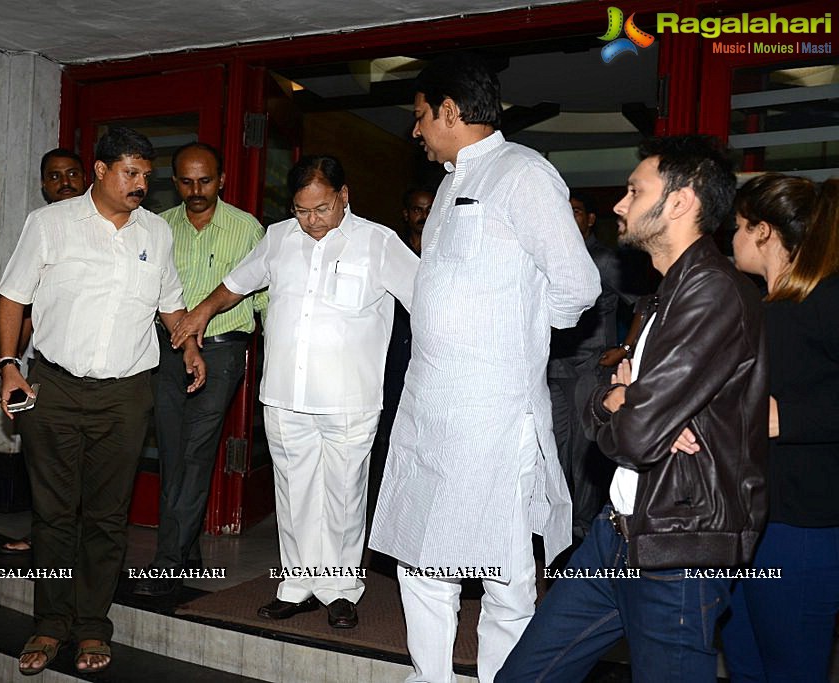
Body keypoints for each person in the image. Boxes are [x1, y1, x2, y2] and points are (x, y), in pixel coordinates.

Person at [498, 135, 769, 682]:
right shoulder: (662, 293)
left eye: (633, 190)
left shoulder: (712, 292)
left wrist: (628, 404)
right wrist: (620, 401)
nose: (619, 205)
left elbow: (637, 432)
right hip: (617, 533)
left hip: (679, 547)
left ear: (680, 202)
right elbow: (615, 400)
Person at [368, 52, 601, 683]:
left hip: (491, 412)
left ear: (449, 110)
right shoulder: (447, 183)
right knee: (423, 554)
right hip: (429, 408)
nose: (414, 131)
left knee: (503, 568)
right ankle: (432, 676)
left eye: (420, 116)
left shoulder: (523, 173)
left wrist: (515, 329)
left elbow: (577, 285)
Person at [170, 155, 419, 629]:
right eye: (303, 211)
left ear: (344, 197)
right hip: (284, 394)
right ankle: (299, 585)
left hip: (350, 399)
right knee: (294, 492)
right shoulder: (280, 237)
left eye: (323, 209)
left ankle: (341, 588)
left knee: (344, 496)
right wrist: (201, 311)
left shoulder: (378, 243)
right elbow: (237, 284)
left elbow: (426, 301)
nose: (313, 222)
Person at [0, 127, 205, 676]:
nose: (140, 185)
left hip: (127, 393)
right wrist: (8, 367)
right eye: (130, 174)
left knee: (108, 518)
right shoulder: (50, 225)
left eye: (146, 176)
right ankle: (49, 622)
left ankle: (92, 625)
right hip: (56, 388)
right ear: (101, 170)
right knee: (55, 514)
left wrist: (190, 349)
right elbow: (12, 296)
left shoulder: (156, 234)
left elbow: (170, 305)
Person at [132, 142, 267, 598]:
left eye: (205, 181)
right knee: (173, 451)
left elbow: (265, 300)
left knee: (195, 452)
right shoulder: (160, 228)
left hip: (224, 351)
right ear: (174, 182)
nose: (196, 191)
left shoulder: (247, 229)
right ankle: (187, 554)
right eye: (186, 182)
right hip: (167, 351)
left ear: (222, 180)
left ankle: (167, 563)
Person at [720, 174, 839, 682]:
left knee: (792, 669)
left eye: (741, 227)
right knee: (744, 662)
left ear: (764, 231)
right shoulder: (758, 306)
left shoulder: (827, 299)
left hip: (803, 526)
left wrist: (784, 417)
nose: (733, 238)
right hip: (747, 518)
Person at [2, 147, 88, 555]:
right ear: (43, 185)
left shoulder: (102, 227)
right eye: (54, 176)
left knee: (89, 461)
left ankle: (81, 540)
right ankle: (45, 534)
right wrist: (11, 365)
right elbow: (21, 304)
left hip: (99, 371)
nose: (64, 182)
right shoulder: (39, 227)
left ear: (88, 177)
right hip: (45, 364)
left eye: (72, 173)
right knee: (44, 456)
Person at [547, 191, 634, 542]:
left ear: (591, 219)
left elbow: (645, 302)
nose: (570, 218)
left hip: (590, 367)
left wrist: (624, 347)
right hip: (554, 367)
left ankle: (583, 532)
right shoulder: (553, 258)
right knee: (553, 450)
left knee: (584, 454)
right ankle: (560, 529)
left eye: (577, 211)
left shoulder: (605, 259)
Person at [367, 187, 433, 527]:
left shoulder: (443, 251)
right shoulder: (390, 253)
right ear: (407, 214)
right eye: (417, 210)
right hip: (390, 361)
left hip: (427, 360)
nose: (423, 216)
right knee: (384, 441)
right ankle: (377, 518)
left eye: (429, 209)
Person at [401, 187, 433, 255]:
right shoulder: (397, 245)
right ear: (406, 214)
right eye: (417, 210)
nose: (425, 216)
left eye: (430, 210)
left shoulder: (441, 247)